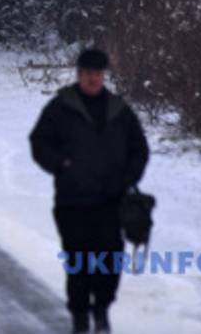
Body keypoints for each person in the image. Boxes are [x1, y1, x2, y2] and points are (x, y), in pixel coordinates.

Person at [30, 49, 149, 333]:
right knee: (79, 260)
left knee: (109, 260)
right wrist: (61, 164)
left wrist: (127, 177)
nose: (92, 79)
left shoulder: (119, 110)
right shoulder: (61, 107)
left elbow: (139, 149)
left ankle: (102, 310)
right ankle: (81, 317)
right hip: (73, 201)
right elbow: (39, 143)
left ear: (103, 76)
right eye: (87, 73)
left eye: (97, 73)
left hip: (112, 201)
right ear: (79, 75)